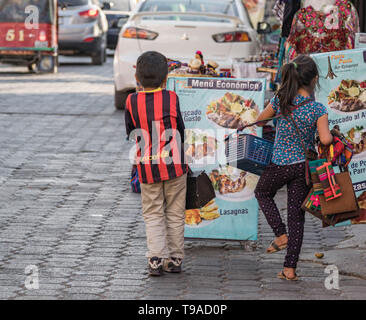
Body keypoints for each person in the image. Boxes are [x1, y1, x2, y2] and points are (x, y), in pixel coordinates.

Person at [254, 55, 333, 281]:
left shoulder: (281, 100)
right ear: (314, 80)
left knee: (262, 192)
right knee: (297, 218)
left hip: (279, 163)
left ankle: (280, 235)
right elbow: (326, 140)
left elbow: (260, 121)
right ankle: (289, 269)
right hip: (303, 168)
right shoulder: (318, 109)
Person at [124, 51, 188, 276]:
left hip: (147, 167)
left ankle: (155, 259)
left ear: (138, 79)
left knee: (152, 213)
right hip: (175, 166)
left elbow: (131, 132)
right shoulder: (171, 97)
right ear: (165, 79)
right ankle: (175, 259)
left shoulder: (131, 100)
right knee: (175, 212)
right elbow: (180, 129)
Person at [285, 0, 359, 61]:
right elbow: (292, 55)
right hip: (309, 74)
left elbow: (356, 47)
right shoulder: (300, 16)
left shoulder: (347, 10)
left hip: (341, 71)